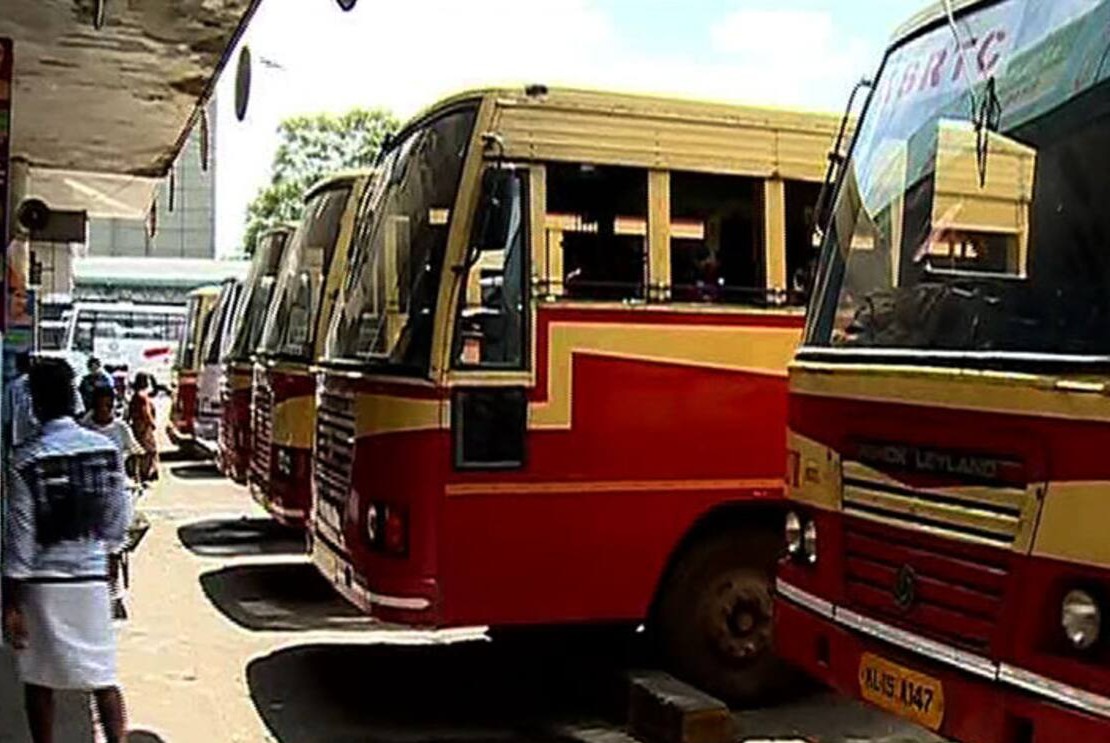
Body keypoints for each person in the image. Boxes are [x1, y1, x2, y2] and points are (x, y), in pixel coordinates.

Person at [1, 357, 132, 743]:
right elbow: (118, 521)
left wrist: (10, 603)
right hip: (91, 581)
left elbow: (20, 540)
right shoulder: (105, 450)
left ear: (35, 405)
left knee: (39, 680)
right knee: (103, 677)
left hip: (43, 586)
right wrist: (106, 557)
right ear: (74, 398)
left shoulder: (24, 460)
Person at [126, 372, 158, 483]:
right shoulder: (142, 396)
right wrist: (152, 423)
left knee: (140, 449)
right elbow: (146, 413)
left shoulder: (135, 396)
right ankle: (146, 473)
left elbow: (129, 413)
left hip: (136, 425)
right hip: (143, 426)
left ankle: (141, 473)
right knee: (149, 450)